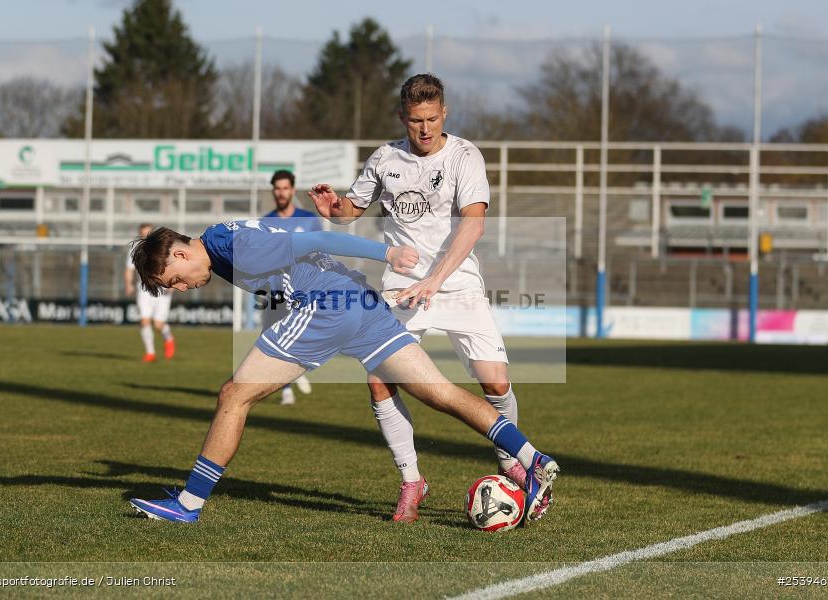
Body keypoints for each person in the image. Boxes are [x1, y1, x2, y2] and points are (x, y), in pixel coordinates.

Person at [127, 220, 559, 524]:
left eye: (175, 280)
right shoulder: (224, 242)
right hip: (361, 304)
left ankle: (188, 503)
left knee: (233, 396)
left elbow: (315, 239)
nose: (181, 289)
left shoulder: (230, 245)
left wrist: (386, 252)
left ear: (181, 252)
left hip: (324, 310)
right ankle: (532, 458)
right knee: (442, 393)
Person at [308, 73, 555, 522]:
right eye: (415, 121)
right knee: (380, 379)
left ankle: (508, 461)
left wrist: (435, 281)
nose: (424, 129)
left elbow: (473, 224)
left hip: (456, 283)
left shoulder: (464, 156)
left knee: (495, 383)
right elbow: (352, 210)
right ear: (403, 117)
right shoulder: (385, 158)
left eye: (432, 119)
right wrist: (335, 211)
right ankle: (410, 481)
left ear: (444, 113)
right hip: (401, 288)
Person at [258, 169, 321, 405]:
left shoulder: (308, 219)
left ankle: (299, 369)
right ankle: (285, 391)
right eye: (277, 188)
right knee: (273, 337)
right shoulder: (265, 222)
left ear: (292, 190)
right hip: (276, 291)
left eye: (285, 188)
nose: (281, 192)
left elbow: (319, 252)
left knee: (306, 337)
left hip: (303, 289)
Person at [125, 223, 175, 362]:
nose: (145, 236)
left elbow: (173, 267)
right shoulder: (135, 249)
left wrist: (173, 283)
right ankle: (150, 353)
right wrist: (128, 284)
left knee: (158, 325)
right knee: (145, 321)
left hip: (162, 290)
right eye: (143, 233)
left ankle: (168, 338)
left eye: (148, 233)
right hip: (144, 291)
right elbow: (129, 269)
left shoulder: (163, 248)